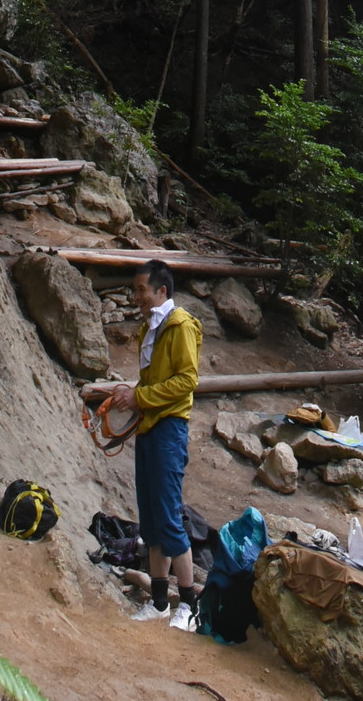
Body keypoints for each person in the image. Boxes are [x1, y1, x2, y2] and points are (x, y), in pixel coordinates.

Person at [108, 260, 203, 631]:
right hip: (151, 428)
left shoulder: (179, 325)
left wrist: (139, 397)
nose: (137, 298)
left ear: (162, 291)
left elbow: (187, 381)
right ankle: (161, 602)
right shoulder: (155, 326)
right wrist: (137, 399)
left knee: (166, 515)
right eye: (136, 291)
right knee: (151, 518)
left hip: (168, 428)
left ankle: (190, 605)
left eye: (142, 290)